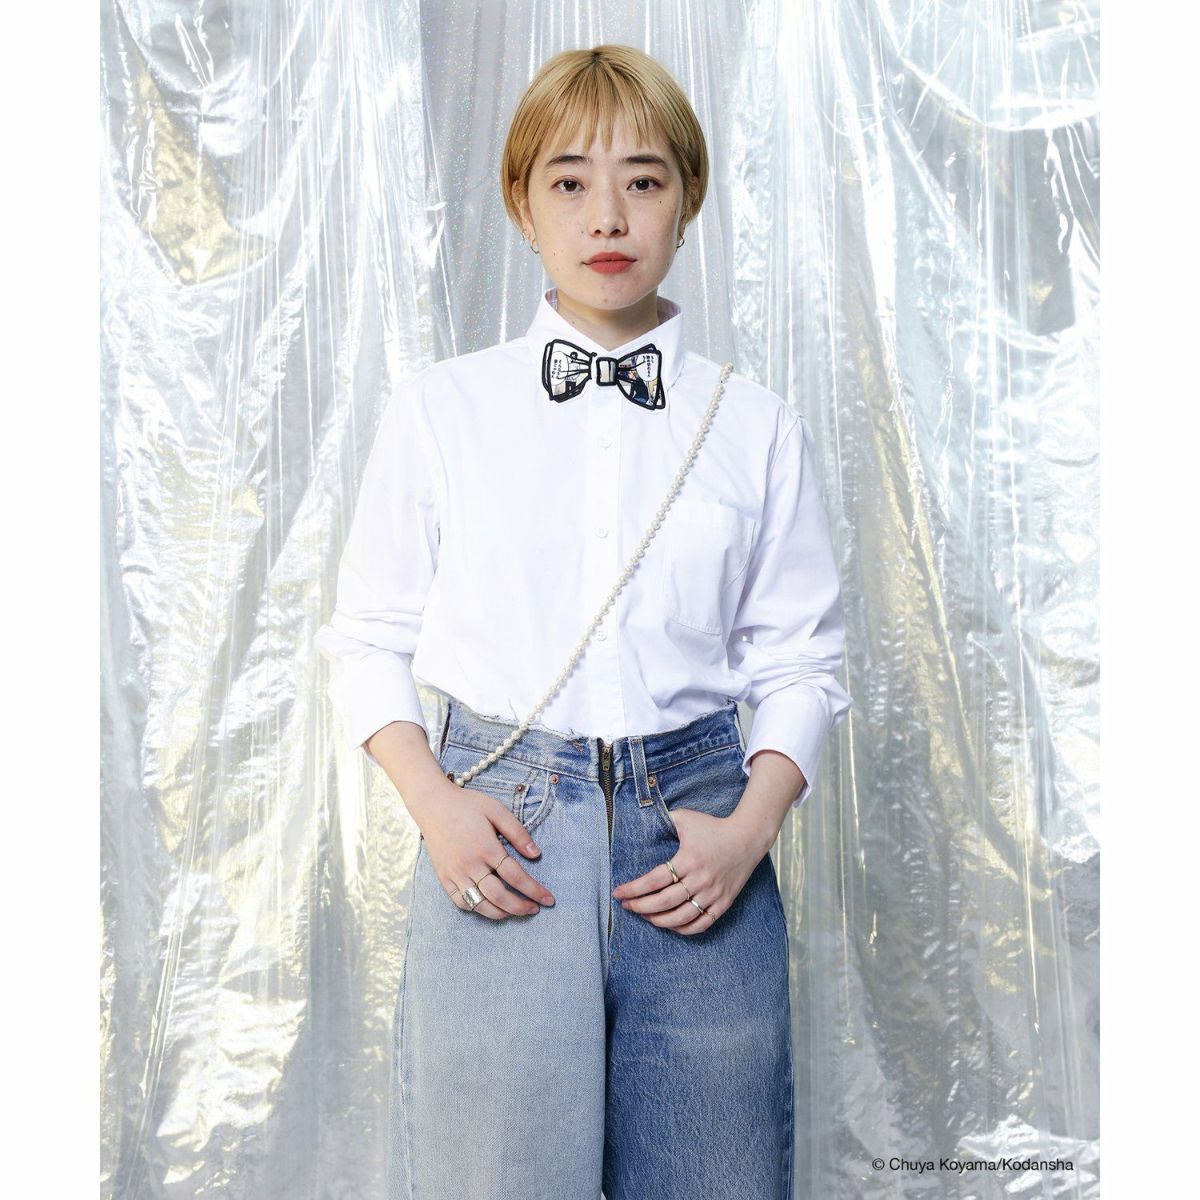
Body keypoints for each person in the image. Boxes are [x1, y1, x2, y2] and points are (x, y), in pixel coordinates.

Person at [314, 43, 852, 1200]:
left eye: (643, 179)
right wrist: (436, 807)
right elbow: (367, 637)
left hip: (701, 830)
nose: (607, 214)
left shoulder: (753, 424)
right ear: (522, 202)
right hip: (499, 828)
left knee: (717, 1178)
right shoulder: (443, 408)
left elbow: (803, 657)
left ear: (688, 198)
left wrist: (751, 828)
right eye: (569, 180)